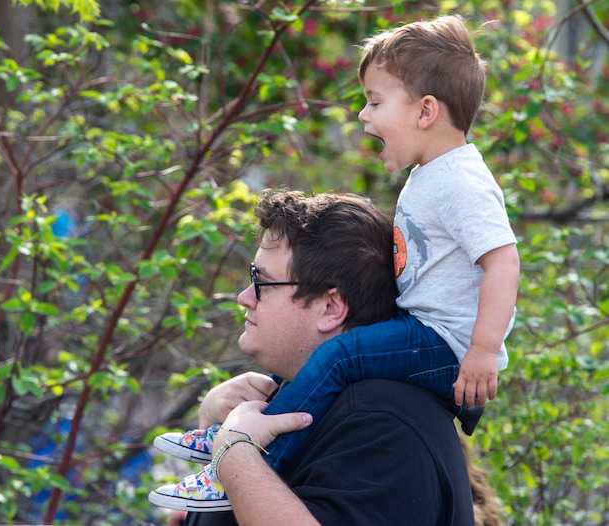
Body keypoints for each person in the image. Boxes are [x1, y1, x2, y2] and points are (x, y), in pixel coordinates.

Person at [150, 14, 520, 511]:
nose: (364, 117)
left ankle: (254, 452)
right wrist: (218, 425)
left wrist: (481, 350)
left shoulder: (461, 181)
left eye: (374, 101)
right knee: (327, 368)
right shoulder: (429, 176)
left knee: (339, 358)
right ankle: (234, 442)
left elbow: (503, 261)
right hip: (428, 334)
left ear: (426, 111)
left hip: (446, 344)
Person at [149, 189, 476, 524]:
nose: (244, 297)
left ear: (331, 307)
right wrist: (216, 431)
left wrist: (233, 453)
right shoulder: (309, 403)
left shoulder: (380, 420)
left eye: (261, 282)